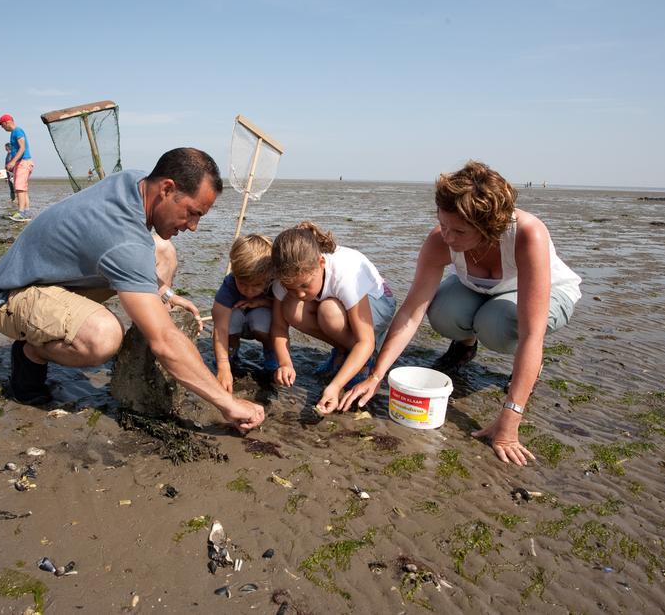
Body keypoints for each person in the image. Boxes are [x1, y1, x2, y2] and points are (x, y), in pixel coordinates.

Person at [0, 147, 264, 433]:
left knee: (163, 251)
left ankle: (147, 348)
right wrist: (228, 403)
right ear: (167, 188)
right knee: (104, 336)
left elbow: (126, 254)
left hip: (56, 279)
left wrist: (165, 293)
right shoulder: (122, 238)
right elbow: (165, 337)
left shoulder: (137, 182)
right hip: (12, 295)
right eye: (192, 213)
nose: (193, 226)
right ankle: (31, 353)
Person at [335, 161, 582, 466]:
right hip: (481, 289)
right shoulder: (440, 239)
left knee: (497, 325)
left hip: (540, 294)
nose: (447, 236)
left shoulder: (527, 235)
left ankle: (532, 368)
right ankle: (465, 345)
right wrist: (376, 375)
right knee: (441, 311)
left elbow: (532, 333)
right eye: (443, 223)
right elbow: (412, 312)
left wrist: (510, 421)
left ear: (490, 227)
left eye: (460, 231)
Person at [269, 222, 397, 412]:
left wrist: (335, 386)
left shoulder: (345, 274)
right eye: (290, 287)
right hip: (342, 305)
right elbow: (279, 327)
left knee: (329, 312)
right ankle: (344, 351)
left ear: (321, 263)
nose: (300, 293)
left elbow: (366, 340)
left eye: (305, 285)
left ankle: (363, 361)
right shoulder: (286, 278)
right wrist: (285, 363)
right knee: (291, 307)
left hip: (378, 302)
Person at [211, 234, 279, 392]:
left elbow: (286, 312)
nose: (249, 290)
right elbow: (219, 328)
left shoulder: (275, 282)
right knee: (230, 320)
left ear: (269, 275)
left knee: (262, 320)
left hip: (262, 321)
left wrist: (262, 302)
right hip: (237, 319)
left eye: (256, 285)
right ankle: (231, 353)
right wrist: (223, 366)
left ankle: (270, 353)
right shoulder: (229, 285)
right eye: (242, 284)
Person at [0, 114, 34, 222]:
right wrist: (11, 164)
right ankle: (26, 212)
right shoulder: (14, 133)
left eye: (2, 125)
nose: (2, 127)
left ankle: (21, 212)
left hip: (24, 162)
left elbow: (22, 148)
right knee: (23, 189)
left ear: (7, 122)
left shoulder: (17, 131)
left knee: (19, 188)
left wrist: (12, 162)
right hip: (22, 163)